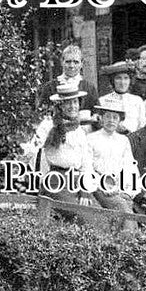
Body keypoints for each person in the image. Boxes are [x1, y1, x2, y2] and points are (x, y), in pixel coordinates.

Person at [40, 81, 93, 214]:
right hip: (55, 180)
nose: (73, 106)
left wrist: (85, 190)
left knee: (99, 214)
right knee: (81, 215)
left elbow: (86, 163)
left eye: (75, 102)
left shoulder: (79, 130)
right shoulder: (48, 125)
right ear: (59, 106)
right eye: (68, 103)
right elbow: (33, 151)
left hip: (76, 181)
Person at [86, 101, 138, 232]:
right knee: (122, 208)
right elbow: (86, 166)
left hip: (119, 187)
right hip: (98, 186)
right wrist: (102, 184)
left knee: (125, 205)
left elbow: (129, 166)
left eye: (115, 117)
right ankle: (128, 243)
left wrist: (126, 190)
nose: (111, 120)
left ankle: (123, 243)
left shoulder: (123, 140)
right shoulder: (91, 139)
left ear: (120, 120)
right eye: (108, 116)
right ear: (101, 118)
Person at [96, 61, 145, 135]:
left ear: (130, 80)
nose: (122, 82)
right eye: (118, 78)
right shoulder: (103, 100)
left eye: (126, 78)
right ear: (112, 81)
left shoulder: (137, 101)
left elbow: (142, 125)